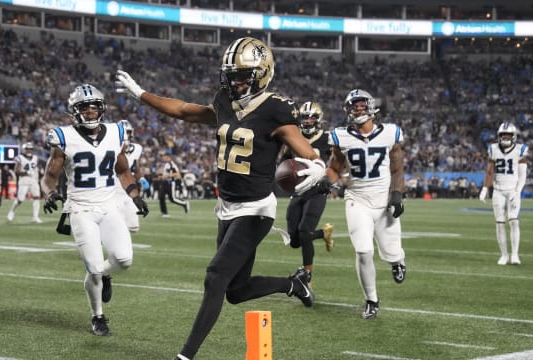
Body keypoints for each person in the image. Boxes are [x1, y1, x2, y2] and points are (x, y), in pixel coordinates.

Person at [116, 37, 327, 360]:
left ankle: (185, 356)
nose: (236, 81)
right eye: (232, 75)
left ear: (263, 73)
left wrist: (317, 165)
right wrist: (140, 94)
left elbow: (303, 146)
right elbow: (185, 111)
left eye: (244, 75)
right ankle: (293, 284)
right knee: (236, 291)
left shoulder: (275, 109)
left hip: (256, 208)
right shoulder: (225, 101)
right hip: (226, 207)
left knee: (215, 276)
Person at [40, 84, 149, 337]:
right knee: (93, 267)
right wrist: (51, 193)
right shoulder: (63, 137)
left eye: (94, 108)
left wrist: (135, 195)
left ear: (102, 109)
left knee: (124, 260)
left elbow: (122, 170)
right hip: (81, 208)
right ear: (74, 111)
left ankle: (105, 276)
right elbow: (49, 177)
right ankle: (98, 316)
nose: (90, 112)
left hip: (109, 206)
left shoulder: (116, 132)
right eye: (84, 108)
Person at [323, 89, 406, 320]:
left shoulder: (390, 133)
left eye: (362, 105)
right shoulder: (341, 136)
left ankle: (398, 261)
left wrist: (397, 194)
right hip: (356, 199)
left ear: (371, 107)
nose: (358, 109)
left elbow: (397, 168)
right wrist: (325, 183)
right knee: (363, 250)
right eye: (354, 105)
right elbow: (334, 168)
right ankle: (372, 300)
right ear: (348, 110)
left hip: (383, 200)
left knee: (391, 252)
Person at [271, 101, 334, 287]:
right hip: (298, 192)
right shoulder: (293, 138)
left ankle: (307, 275)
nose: (307, 121)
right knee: (294, 240)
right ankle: (324, 233)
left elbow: (339, 162)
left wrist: (328, 180)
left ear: (319, 119)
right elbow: (283, 163)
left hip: (317, 192)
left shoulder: (328, 138)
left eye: (311, 117)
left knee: (305, 232)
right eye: (304, 117)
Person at [479, 122, 529, 265]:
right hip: (498, 190)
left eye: (508, 135)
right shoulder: (493, 149)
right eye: (503, 135)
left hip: (512, 189)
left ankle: (515, 255)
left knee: (514, 221)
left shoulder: (520, 149)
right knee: (500, 223)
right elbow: (490, 171)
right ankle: (504, 255)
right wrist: (484, 188)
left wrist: (517, 191)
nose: (505, 137)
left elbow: (522, 174)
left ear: (514, 136)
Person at [114, 119, 144, 233]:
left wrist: (141, 178)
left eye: (128, 132)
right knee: (116, 225)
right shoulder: (110, 148)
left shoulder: (137, 148)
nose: (126, 135)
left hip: (129, 190)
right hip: (113, 191)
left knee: (133, 227)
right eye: (124, 132)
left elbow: (136, 166)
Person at [7, 142, 42, 223]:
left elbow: (37, 168)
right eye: (27, 149)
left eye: (31, 149)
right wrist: (26, 173)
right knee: (20, 199)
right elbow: (16, 171)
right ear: (24, 149)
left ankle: (35, 217)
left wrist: (39, 172)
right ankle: (12, 211)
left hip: (33, 180)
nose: (29, 151)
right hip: (24, 180)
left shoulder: (36, 158)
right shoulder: (20, 158)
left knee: (37, 197)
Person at [158, 152, 189, 217]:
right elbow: (165, 174)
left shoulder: (172, 164)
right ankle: (164, 212)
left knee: (173, 199)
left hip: (170, 183)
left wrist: (168, 175)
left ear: (167, 156)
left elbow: (178, 174)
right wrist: (162, 177)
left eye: (164, 156)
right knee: (161, 197)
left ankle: (184, 203)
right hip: (165, 183)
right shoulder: (166, 164)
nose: (163, 158)